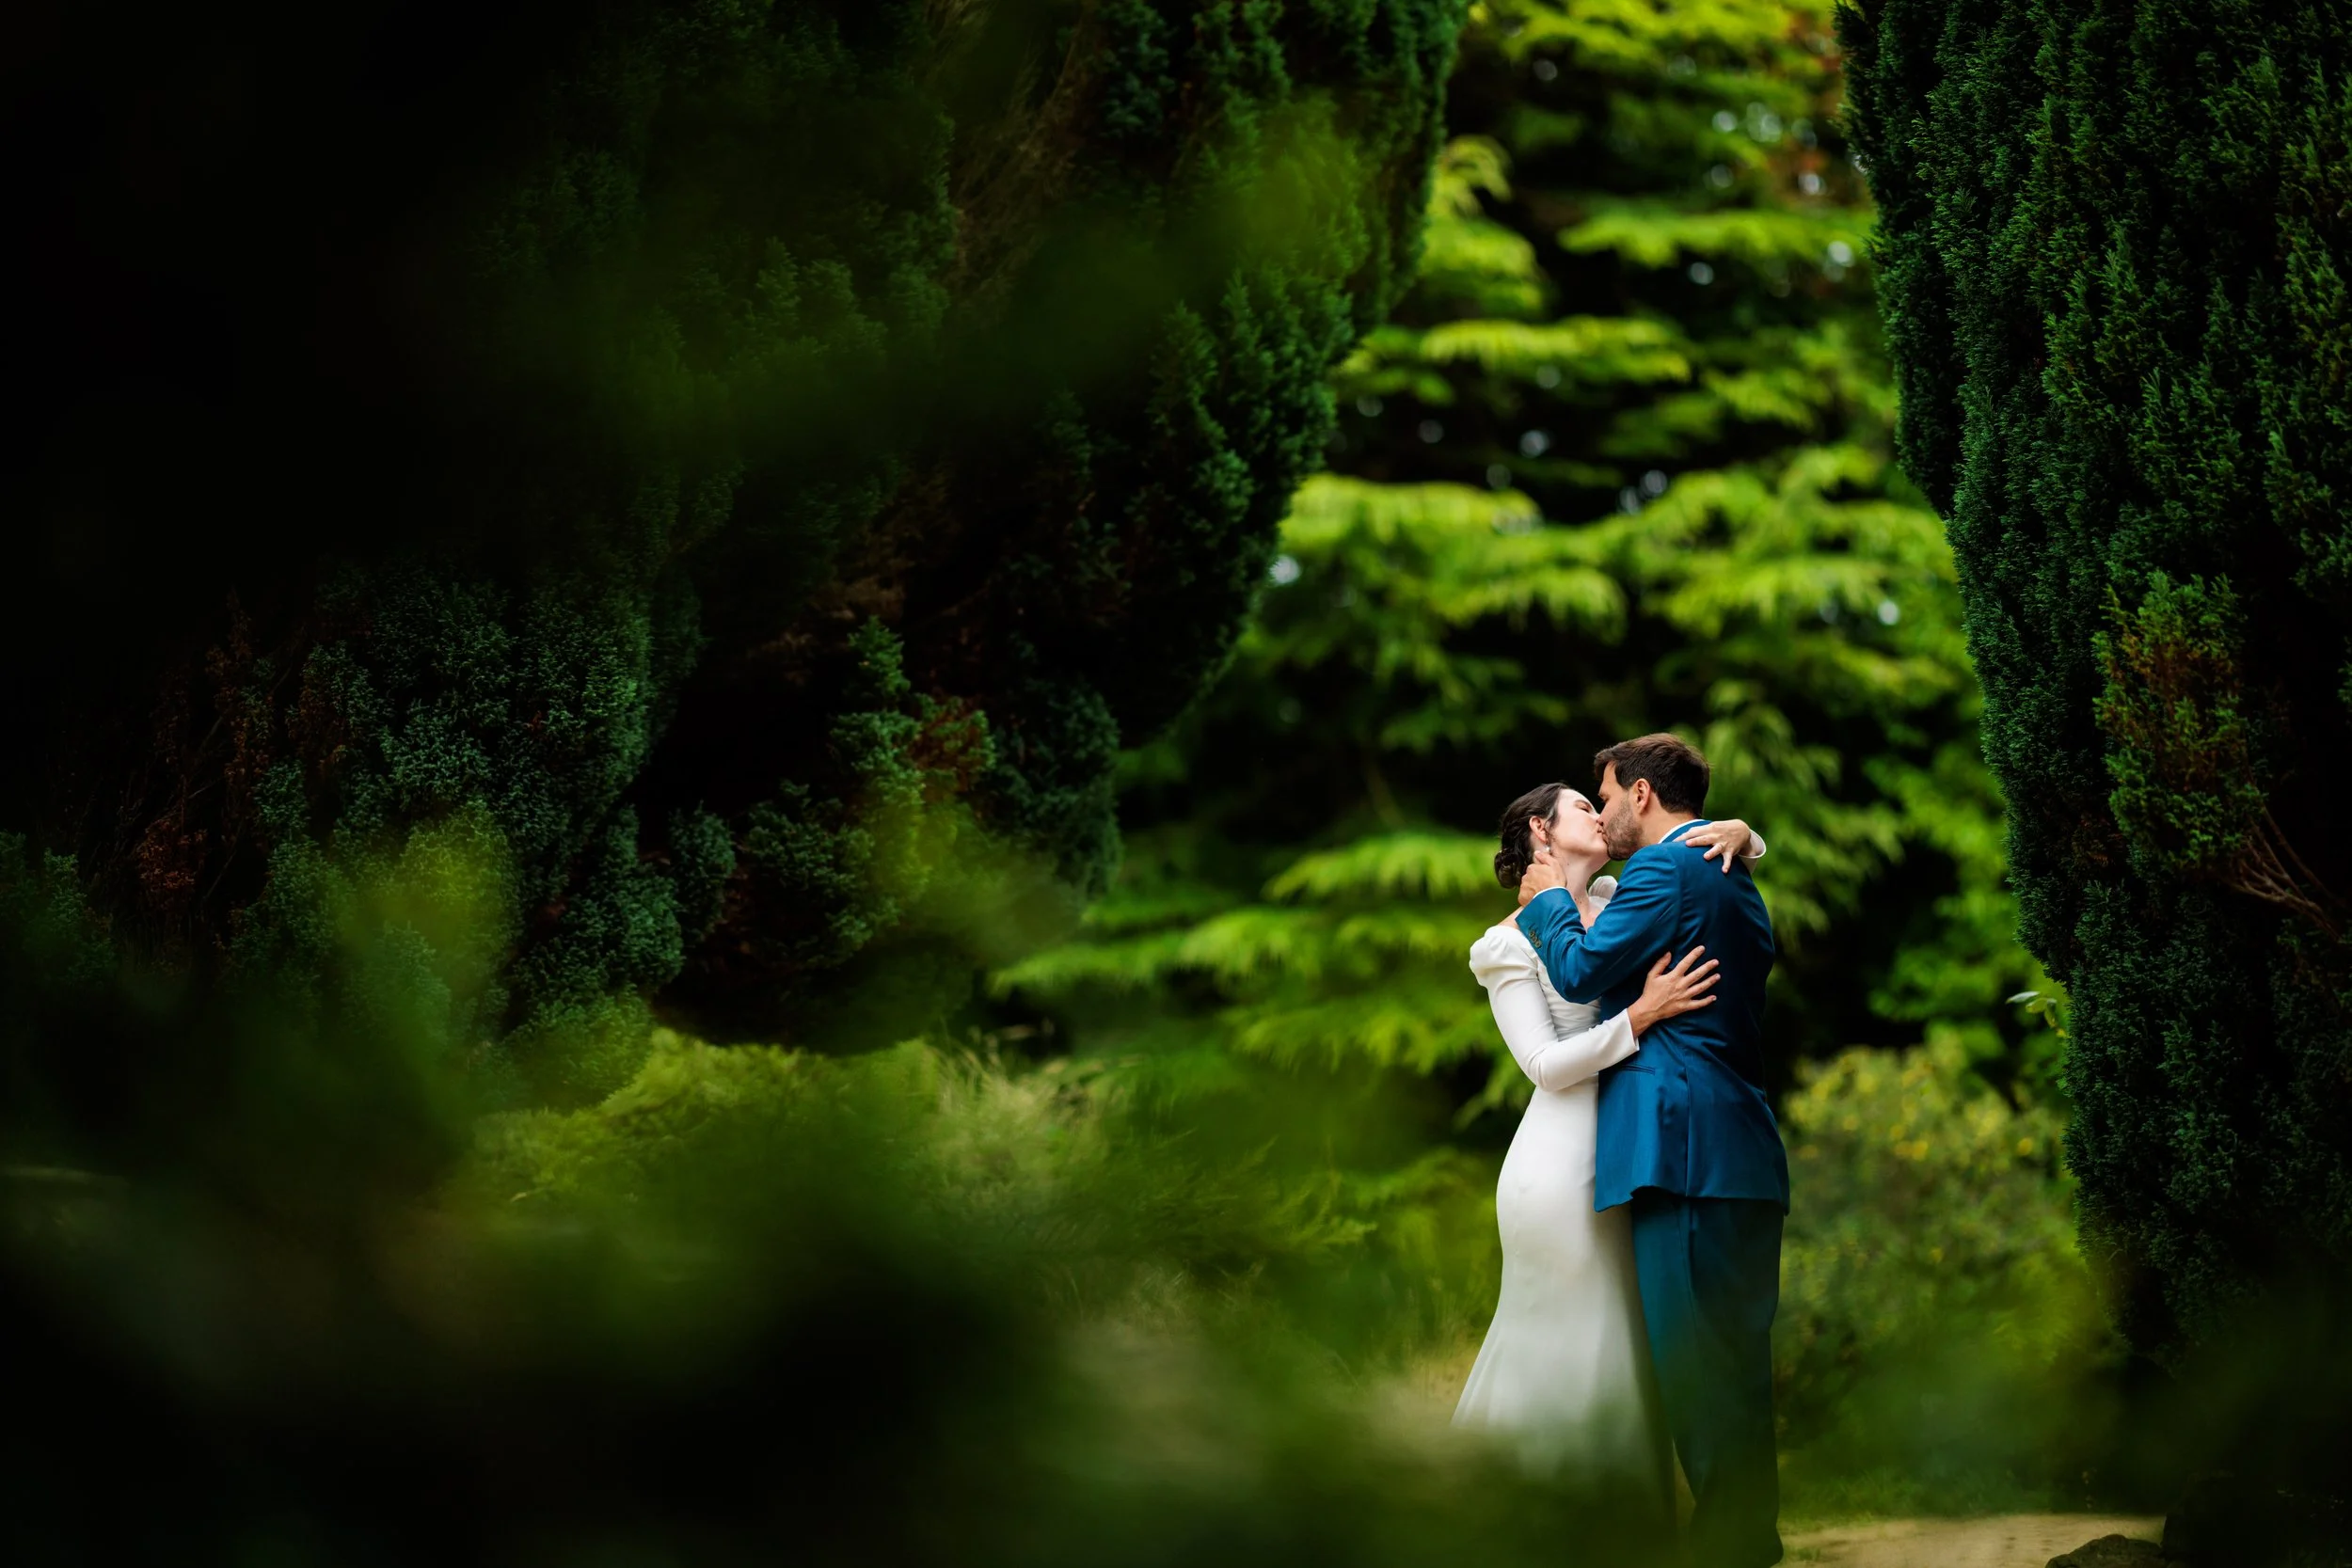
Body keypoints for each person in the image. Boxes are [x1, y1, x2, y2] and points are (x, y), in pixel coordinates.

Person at [1514, 734, 1788, 1568]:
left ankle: (1727, 1546)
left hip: (1681, 1151)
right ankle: (1749, 1537)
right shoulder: (1739, 878)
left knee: (1694, 1365)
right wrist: (1748, 833)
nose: (1602, 811)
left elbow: (1581, 966)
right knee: (1739, 1364)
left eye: (1606, 795)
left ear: (1641, 793)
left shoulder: (1662, 871)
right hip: (1742, 1148)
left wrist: (1545, 901)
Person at [1454, 779, 1763, 1500]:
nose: (1602, 815)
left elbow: (1704, 867)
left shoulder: (1621, 897)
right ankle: (1518, 1513)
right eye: (1584, 808)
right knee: (1568, 1341)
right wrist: (1642, 1016)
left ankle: (1625, 1527)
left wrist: (1745, 832)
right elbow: (1544, 1065)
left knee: (1628, 1347)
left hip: (1631, 1151)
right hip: (1559, 1167)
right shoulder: (1504, 941)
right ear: (1541, 829)